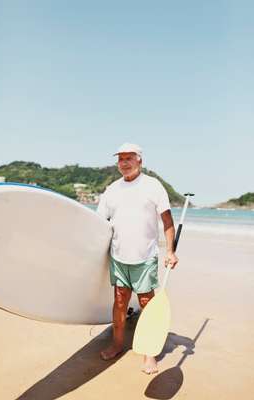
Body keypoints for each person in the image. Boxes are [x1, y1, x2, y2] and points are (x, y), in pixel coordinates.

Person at [97, 143, 178, 374]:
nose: (124, 162)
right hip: (119, 256)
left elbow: (167, 221)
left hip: (144, 257)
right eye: (120, 159)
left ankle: (149, 354)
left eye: (129, 158)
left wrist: (170, 251)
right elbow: (100, 223)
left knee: (146, 304)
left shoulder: (153, 186)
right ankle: (117, 344)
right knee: (120, 302)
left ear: (139, 160)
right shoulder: (112, 189)